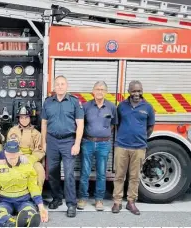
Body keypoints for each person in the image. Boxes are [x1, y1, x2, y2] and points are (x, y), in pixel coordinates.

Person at [41, 75, 84, 217]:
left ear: (67, 86)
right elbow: (44, 124)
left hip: (68, 142)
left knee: (69, 173)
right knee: (52, 173)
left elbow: (80, 124)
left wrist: (77, 143)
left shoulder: (74, 102)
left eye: (62, 84)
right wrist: (44, 142)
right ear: (54, 87)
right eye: (57, 84)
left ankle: (71, 204)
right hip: (52, 141)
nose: (60, 86)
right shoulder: (48, 102)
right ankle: (57, 198)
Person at [112, 80, 155, 215]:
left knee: (134, 177)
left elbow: (150, 127)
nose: (136, 93)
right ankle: (117, 202)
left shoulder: (148, 107)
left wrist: (141, 137)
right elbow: (117, 124)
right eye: (134, 91)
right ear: (129, 91)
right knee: (119, 175)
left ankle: (131, 202)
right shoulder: (122, 106)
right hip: (122, 146)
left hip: (139, 148)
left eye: (139, 91)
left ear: (142, 91)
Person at [0, 140, 49, 227]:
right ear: (5, 154)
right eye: (9, 157)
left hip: (23, 200)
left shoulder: (27, 166)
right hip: (5, 201)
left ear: (19, 154)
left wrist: (41, 207)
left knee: (31, 212)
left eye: (14, 157)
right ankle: (12, 223)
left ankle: (27, 220)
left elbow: (33, 187)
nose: (12, 160)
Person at [78, 81, 117, 211]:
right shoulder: (86, 106)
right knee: (85, 172)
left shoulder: (111, 107)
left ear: (106, 92)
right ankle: (83, 198)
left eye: (102, 89)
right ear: (93, 91)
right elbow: (80, 124)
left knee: (101, 173)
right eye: (97, 89)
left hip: (103, 144)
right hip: (87, 142)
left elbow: (113, 124)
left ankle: (99, 200)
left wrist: (102, 134)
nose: (99, 91)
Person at [4, 106, 45, 190]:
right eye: (21, 117)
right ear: (18, 119)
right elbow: (8, 147)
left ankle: (37, 196)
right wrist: (18, 157)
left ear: (30, 118)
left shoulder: (36, 133)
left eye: (26, 117)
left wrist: (30, 159)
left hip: (31, 159)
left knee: (40, 171)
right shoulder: (12, 131)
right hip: (15, 158)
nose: (24, 120)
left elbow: (40, 150)